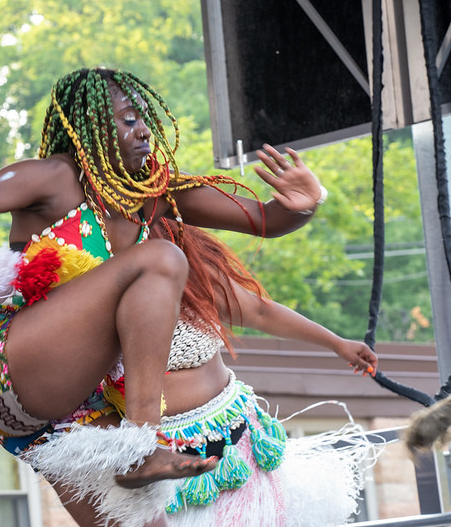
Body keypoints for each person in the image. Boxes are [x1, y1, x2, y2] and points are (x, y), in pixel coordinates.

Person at [0, 67, 330, 526]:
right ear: (90, 127)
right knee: (161, 258)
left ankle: (135, 451)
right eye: (127, 120)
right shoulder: (52, 178)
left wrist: (306, 203)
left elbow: (266, 219)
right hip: (6, 366)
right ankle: (141, 444)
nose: (143, 129)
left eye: (143, 118)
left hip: (74, 407)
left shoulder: (149, 193)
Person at [74, 219, 379, 526]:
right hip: (159, 460)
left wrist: (337, 343)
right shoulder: (83, 272)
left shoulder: (182, 261)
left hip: (237, 437)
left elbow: (260, 311)